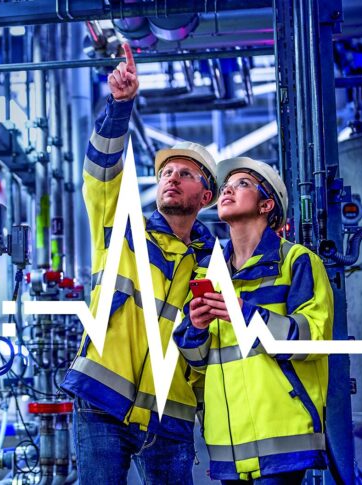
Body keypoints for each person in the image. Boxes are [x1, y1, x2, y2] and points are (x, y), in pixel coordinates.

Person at [60, 43, 219, 484]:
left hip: (171, 416)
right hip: (102, 402)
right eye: (167, 172)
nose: (172, 178)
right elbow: (100, 173)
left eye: (185, 174)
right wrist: (120, 105)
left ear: (205, 198)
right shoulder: (122, 227)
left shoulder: (210, 267)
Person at [174, 157, 333, 483]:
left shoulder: (297, 262)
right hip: (227, 444)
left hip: (282, 436)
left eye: (242, 183)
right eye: (226, 186)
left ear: (266, 204)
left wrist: (244, 313)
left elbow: (313, 337)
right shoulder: (208, 273)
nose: (228, 189)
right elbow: (199, 364)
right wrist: (196, 329)